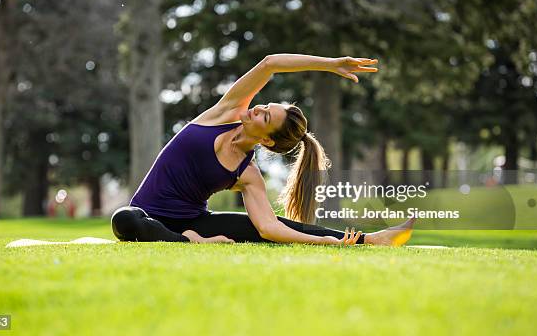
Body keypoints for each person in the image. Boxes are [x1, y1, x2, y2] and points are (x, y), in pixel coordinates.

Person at [111, 54, 415, 246]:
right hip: (146, 216)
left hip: (195, 222)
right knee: (123, 220)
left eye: (264, 116)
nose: (256, 108)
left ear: (267, 141)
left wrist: (332, 243)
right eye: (264, 106)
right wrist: (329, 64)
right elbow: (270, 64)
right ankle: (189, 243)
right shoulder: (223, 113)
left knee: (268, 227)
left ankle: (369, 239)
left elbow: (270, 228)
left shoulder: (249, 174)